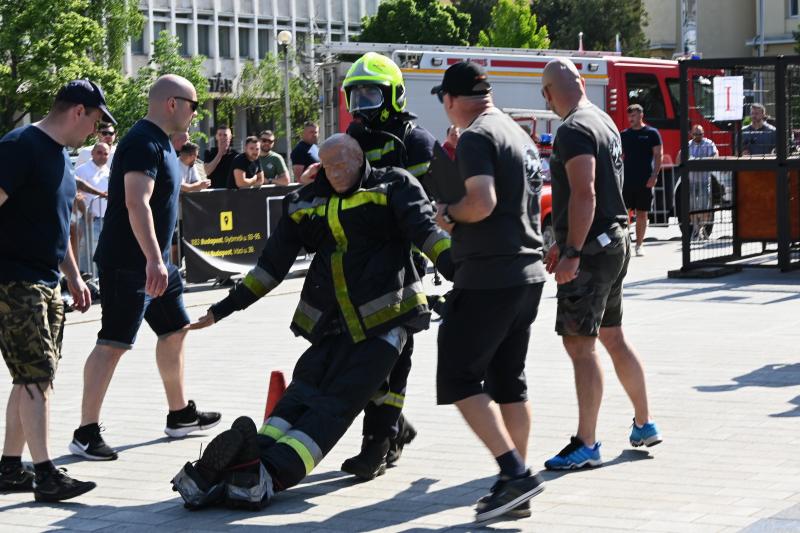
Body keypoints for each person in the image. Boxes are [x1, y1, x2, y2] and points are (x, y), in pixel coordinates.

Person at [172, 133, 453, 510]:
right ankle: (230, 472)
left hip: (385, 321)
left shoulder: (393, 186)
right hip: (330, 325)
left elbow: (427, 234)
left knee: (335, 404)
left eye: (342, 164)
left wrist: (460, 270)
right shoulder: (305, 201)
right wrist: (224, 308)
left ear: (360, 160)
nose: (335, 173)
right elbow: (270, 268)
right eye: (328, 165)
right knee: (299, 395)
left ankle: (263, 475)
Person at [69, 74, 221, 462]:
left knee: (175, 330)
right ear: (172, 104)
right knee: (113, 343)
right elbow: (136, 202)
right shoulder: (142, 142)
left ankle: (180, 414)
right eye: (193, 105)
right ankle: (85, 433)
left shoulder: (163, 143)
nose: (195, 113)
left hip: (157, 264)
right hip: (130, 263)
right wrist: (153, 259)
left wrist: (159, 261)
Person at [431, 62, 547, 522]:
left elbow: (481, 202)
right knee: (508, 383)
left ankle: (515, 474)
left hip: (489, 277)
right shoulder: (518, 134)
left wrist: (448, 214)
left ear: (451, 99)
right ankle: (514, 485)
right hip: (526, 274)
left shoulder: (476, 136)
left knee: (458, 378)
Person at [539, 58, 661, 473]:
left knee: (580, 344)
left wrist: (572, 251)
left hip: (591, 250)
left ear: (548, 93)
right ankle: (644, 423)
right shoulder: (605, 122)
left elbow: (584, 192)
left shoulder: (573, 129)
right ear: (580, 82)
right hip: (616, 239)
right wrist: (566, 242)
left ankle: (586, 444)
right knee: (612, 336)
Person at [0, 79, 112, 501]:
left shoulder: (61, 156)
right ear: (78, 111)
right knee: (36, 375)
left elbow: (56, 225)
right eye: (96, 120)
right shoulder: (19, 146)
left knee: (30, 377)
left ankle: (10, 468)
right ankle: (46, 475)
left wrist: (74, 275)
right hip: (14, 280)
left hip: (47, 280)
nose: (96, 131)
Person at [338, 51, 439, 481]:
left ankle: (377, 445)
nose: (361, 105)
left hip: (403, 266)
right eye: (356, 96)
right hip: (359, 265)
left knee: (393, 355)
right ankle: (395, 428)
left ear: (393, 95)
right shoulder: (353, 138)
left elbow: (437, 204)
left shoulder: (417, 142)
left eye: (370, 95)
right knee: (359, 355)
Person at [620, 104, 662, 256]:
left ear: (641, 115)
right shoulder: (624, 135)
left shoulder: (652, 133)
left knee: (642, 213)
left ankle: (639, 245)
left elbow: (658, 155)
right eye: (629, 116)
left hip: (645, 179)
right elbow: (619, 156)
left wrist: (654, 176)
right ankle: (624, 245)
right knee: (624, 214)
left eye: (634, 115)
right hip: (626, 180)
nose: (631, 119)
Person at [676, 125, 719, 240]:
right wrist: (682, 160)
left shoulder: (709, 144)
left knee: (705, 207)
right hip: (691, 182)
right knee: (692, 207)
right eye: (695, 134)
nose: (698, 136)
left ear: (703, 134)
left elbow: (715, 155)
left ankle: (700, 228)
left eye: (700, 134)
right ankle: (696, 229)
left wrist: (710, 160)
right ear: (691, 134)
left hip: (704, 181)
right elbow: (678, 159)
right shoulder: (688, 145)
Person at [74, 142, 112, 271]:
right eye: (99, 153)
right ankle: (86, 279)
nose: (102, 156)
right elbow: (75, 192)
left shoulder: (108, 171)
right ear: (92, 153)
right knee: (88, 254)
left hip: (106, 220)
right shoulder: (82, 170)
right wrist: (84, 212)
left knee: (102, 253)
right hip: (90, 220)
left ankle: (98, 280)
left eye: (105, 154)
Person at [204, 125, 238, 189]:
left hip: (230, 191)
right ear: (216, 137)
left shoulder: (236, 155)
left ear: (230, 137)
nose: (222, 137)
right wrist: (220, 153)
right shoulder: (209, 152)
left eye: (225, 135)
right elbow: (207, 171)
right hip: (213, 191)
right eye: (220, 135)